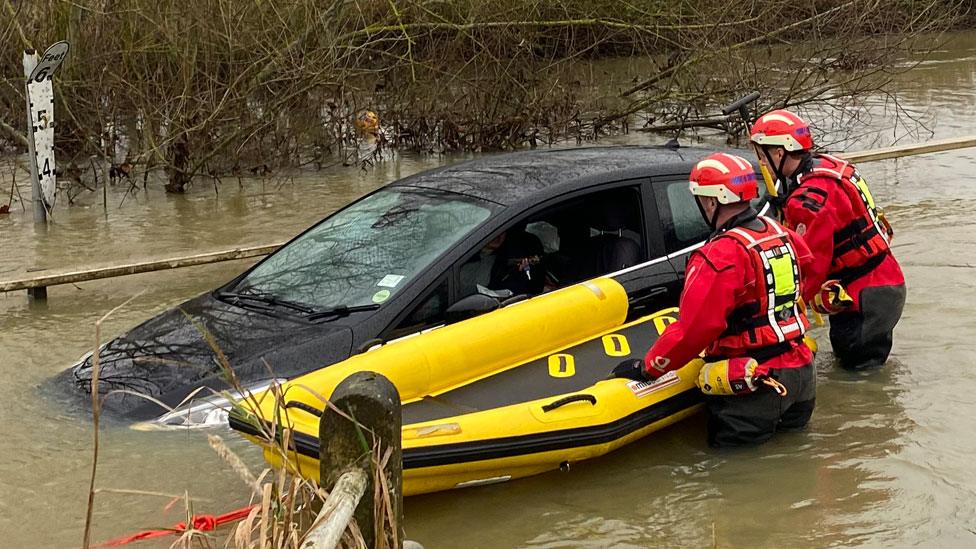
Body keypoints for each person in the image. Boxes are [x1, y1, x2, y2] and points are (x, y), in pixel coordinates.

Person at [611, 152, 817, 448]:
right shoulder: (779, 232)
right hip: (800, 373)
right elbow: (809, 268)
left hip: (754, 386)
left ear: (711, 201)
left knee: (735, 478)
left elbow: (694, 330)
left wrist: (648, 368)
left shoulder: (720, 254)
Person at [749, 109, 906, 370]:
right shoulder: (828, 168)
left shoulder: (808, 200)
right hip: (883, 284)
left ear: (779, 153)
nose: (762, 164)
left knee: (856, 380)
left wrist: (782, 316)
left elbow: (810, 266)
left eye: (763, 156)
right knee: (866, 370)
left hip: (863, 297)